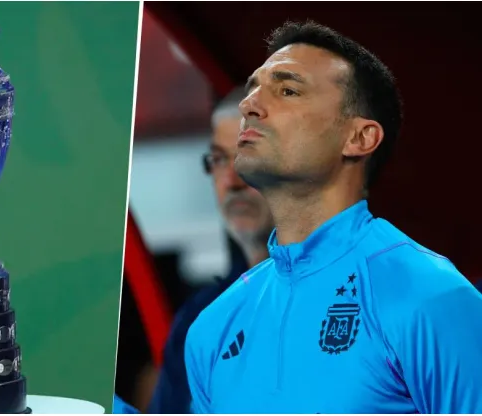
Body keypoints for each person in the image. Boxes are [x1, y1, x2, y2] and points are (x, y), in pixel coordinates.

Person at [185, 21, 482, 414]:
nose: (248, 104)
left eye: (287, 90)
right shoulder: (213, 327)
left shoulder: (431, 298)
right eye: (253, 87)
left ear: (359, 138)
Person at [136, 89, 274, 414]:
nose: (231, 180)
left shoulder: (355, 298)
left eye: (248, 156)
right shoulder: (199, 319)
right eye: (219, 160)